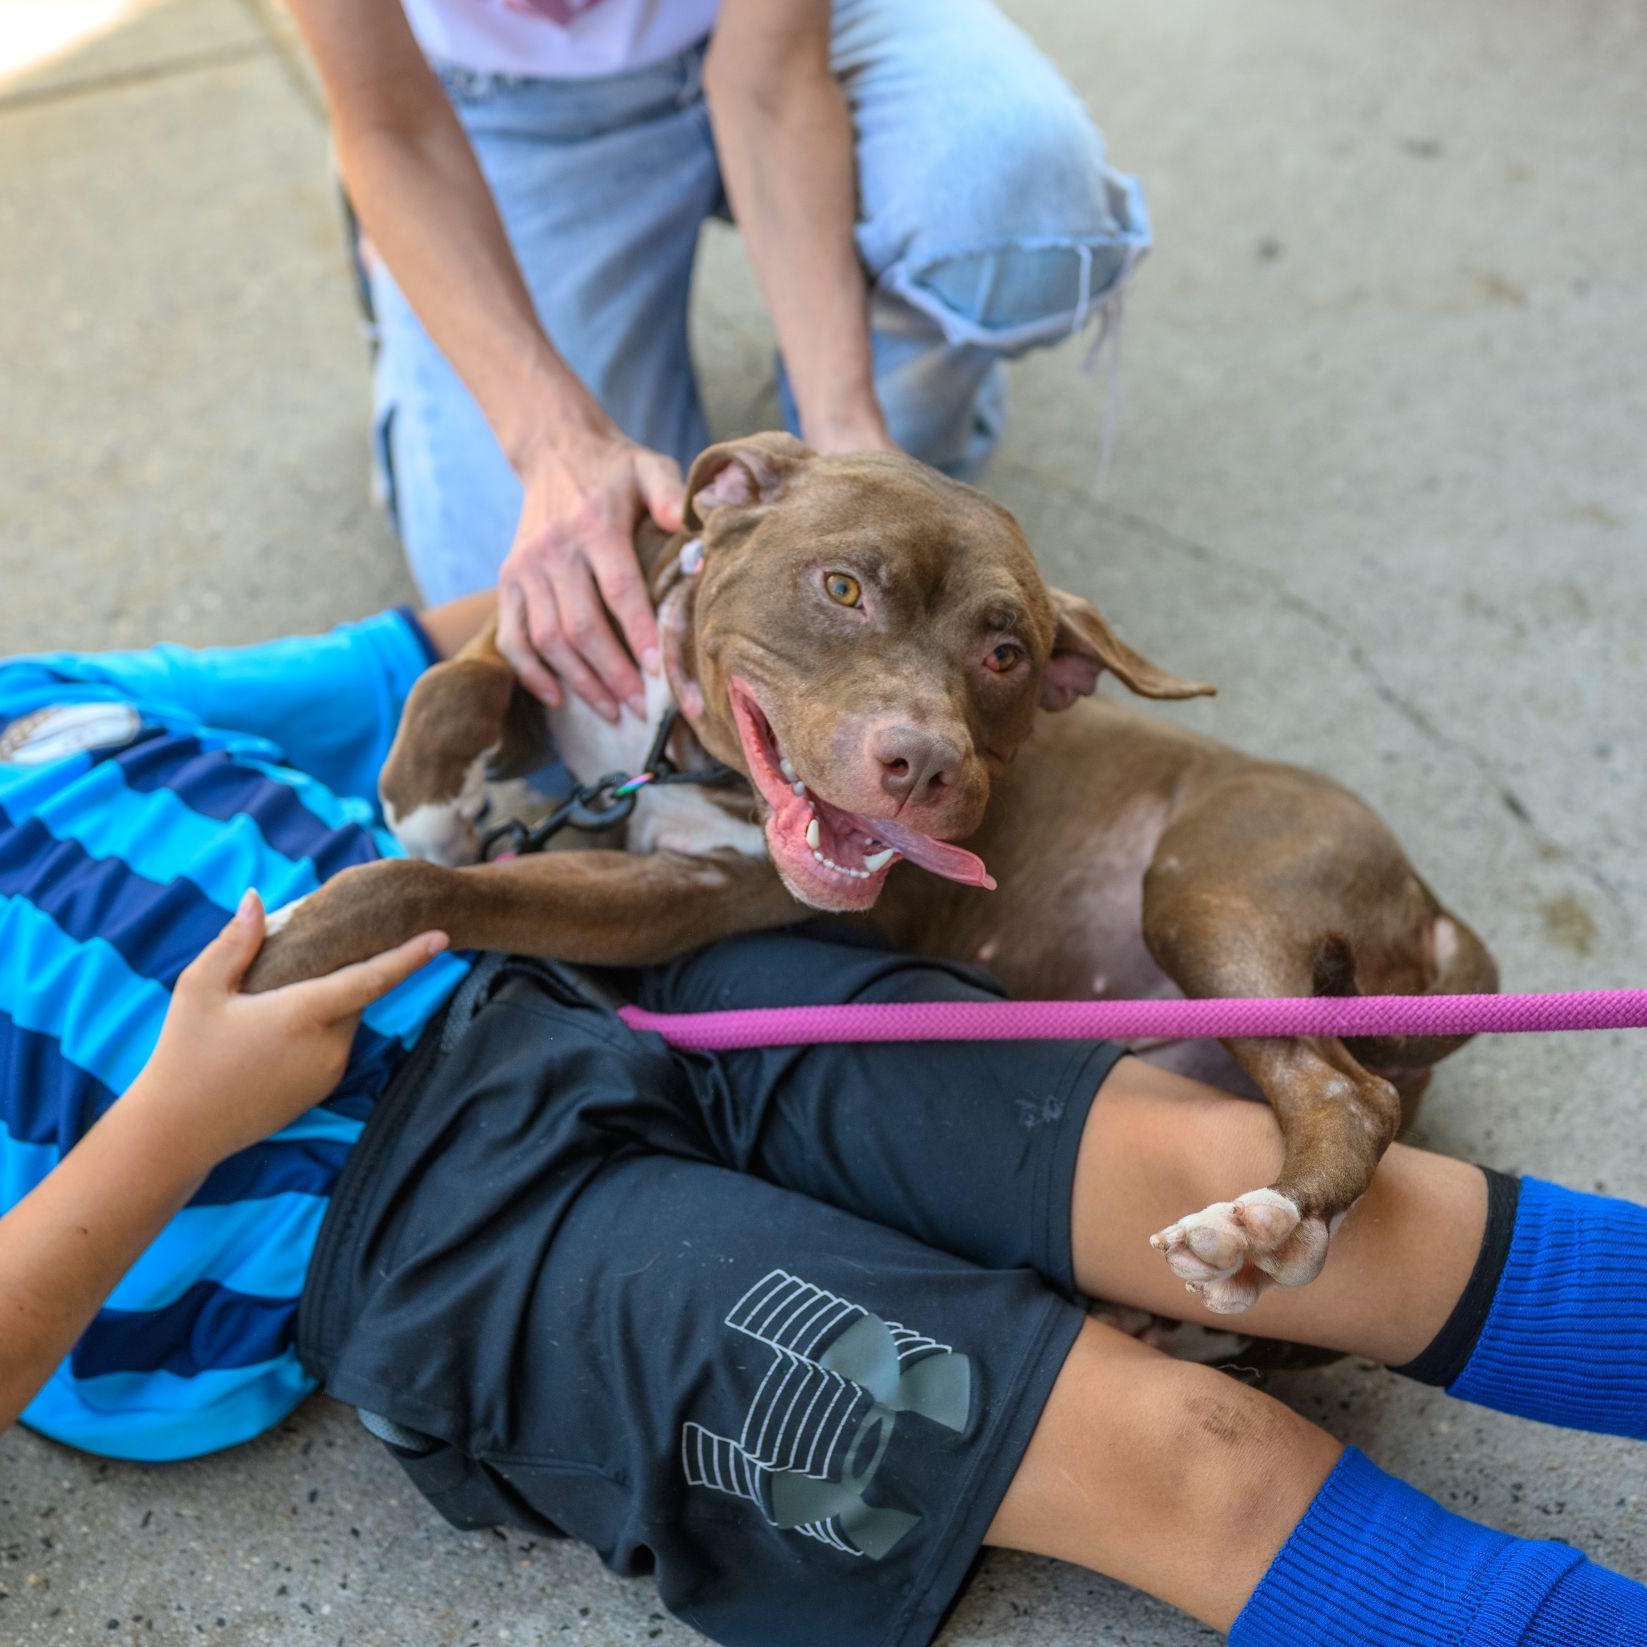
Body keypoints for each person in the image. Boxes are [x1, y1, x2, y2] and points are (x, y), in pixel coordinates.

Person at [2, 602, 1644, 1646]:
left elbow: (464, 636)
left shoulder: (46, 697)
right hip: (411, 1218)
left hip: (598, 936)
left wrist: (655, 562)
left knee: (1255, 1186)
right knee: (1196, 1459)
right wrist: (180, 1111)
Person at [285, 0, 1149, 722]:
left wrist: (848, 434)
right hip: (489, 103)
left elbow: (769, 80)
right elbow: (392, 125)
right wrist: (550, 438)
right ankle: (411, 284)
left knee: (1020, 209)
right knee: (563, 663)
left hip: (792, 26)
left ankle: (915, 394)